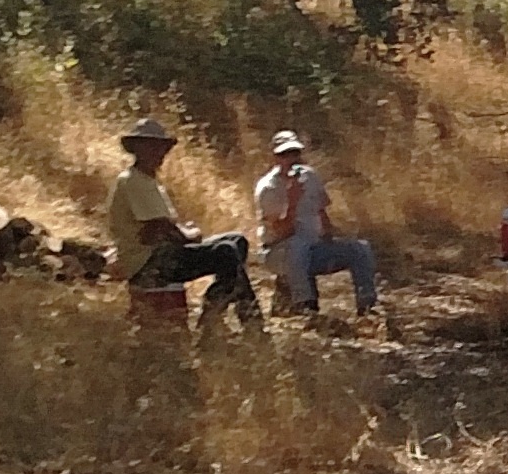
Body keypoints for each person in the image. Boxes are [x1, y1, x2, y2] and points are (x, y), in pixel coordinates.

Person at [108, 116, 261, 329]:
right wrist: (187, 235)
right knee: (226, 252)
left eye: (159, 147)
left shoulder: (147, 181)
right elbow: (156, 230)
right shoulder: (134, 181)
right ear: (136, 148)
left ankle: (222, 308)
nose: (157, 152)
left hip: (161, 255)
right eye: (150, 146)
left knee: (237, 241)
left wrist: (181, 233)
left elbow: (160, 227)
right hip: (149, 263)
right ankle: (238, 319)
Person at [254, 131, 379, 321]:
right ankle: (305, 306)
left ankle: (367, 307)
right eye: (284, 155)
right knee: (297, 246)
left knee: (359, 248)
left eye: (295, 153)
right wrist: (292, 200)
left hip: (314, 247)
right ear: (275, 157)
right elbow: (282, 231)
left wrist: (333, 237)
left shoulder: (310, 177)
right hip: (281, 252)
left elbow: (321, 212)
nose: (291, 159)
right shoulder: (268, 188)